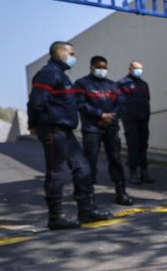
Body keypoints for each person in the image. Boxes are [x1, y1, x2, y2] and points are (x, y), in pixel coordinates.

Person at [27, 41, 112, 230]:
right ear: (59, 53)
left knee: (83, 168)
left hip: (65, 130)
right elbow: (35, 102)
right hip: (52, 129)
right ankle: (55, 217)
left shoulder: (62, 76)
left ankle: (86, 210)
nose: (74, 57)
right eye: (71, 53)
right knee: (56, 173)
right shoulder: (48, 73)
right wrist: (33, 124)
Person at [75, 56, 133, 206]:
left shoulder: (113, 85)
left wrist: (111, 116)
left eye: (105, 67)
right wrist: (100, 115)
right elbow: (81, 105)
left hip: (111, 128)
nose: (102, 70)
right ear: (91, 67)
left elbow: (121, 103)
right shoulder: (82, 84)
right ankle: (89, 198)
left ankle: (121, 193)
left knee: (116, 160)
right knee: (90, 162)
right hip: (92, 129)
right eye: (99, 67)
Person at [117, 60, 153, 185]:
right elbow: (119, 102)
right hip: (130, 120)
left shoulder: (144, 84)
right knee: (133, 146)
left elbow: (147, 100)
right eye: (137, 68)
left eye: (141, 68)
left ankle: (145, 173)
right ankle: (133, 173)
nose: (139, 71)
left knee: (143, 145)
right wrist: (124, 115)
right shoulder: (122, 84)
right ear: (130, 68)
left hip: (143, 119)